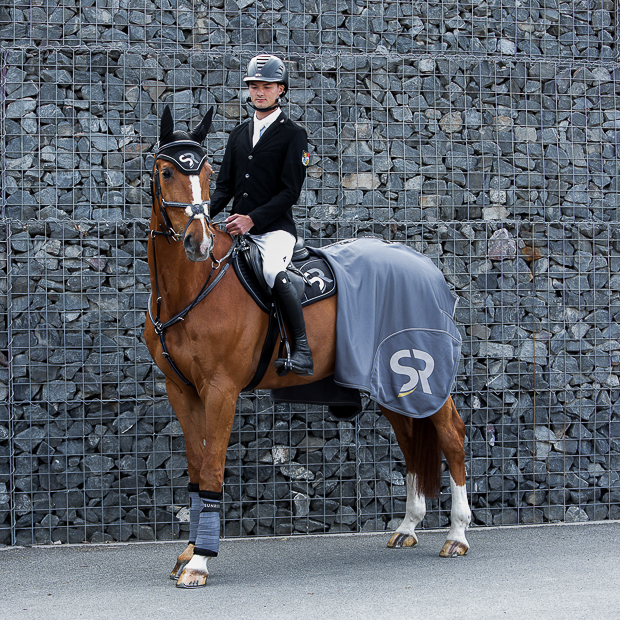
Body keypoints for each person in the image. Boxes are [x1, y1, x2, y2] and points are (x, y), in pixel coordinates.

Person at [210, 54, 313, 376]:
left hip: (273, 230)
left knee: (271, 271)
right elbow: (224, 187)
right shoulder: (238, 134)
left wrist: (252, 219)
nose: (258, 92)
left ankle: (302, 351)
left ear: (280, 89)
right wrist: (200, 216)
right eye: (254, 86)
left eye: (266, 86)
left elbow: (289, 192)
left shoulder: (294, 135)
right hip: (237, 228)